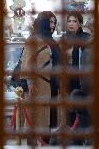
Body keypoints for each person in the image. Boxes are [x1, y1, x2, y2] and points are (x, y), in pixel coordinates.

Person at [20, 11, 61, 144]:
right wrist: (30, 82)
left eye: (54, 22)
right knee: (36, 122)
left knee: (50, 122)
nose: (53, 25)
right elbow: (26, 63)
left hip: (54, 87)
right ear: (43, 22)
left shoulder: (53, 41)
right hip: (38, 88)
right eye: (50, 22)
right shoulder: (33, 39)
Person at [63, 11, 92, 145]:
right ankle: (73, 141)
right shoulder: (64, 38)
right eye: (69, 21)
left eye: (74, 21)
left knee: (82, 113)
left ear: (79, 23)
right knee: (70, 112)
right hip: (68, 79)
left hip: (83, 80)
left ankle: (82, 140)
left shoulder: (86, 37)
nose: (71, 24)